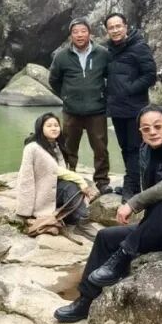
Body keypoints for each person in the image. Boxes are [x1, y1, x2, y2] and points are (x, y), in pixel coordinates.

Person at [55, 105, 162, 322]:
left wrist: (133, 203)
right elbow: (140, 183)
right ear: (141, 132)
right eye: (146, 128)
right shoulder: (146, 151)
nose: (152, 132)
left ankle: (122, 257)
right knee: (105, 237)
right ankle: (85, 301)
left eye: (158, 126)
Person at [48, 18, 112, 194]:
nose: (79, 35)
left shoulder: (102, 53)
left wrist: (103, 96)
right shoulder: (61, 56)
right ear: (71, 35)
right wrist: (66, 96)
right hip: (71, 111)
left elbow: (111, 77)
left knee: (100, 148)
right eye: (75, 32)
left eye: (83, 31)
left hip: (97, 110)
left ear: (89, 33)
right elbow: (53, 80)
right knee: (69, 147)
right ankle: (69, 178)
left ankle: (102, 181)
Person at [15, 112, 99, 238]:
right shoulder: (32, 148)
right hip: (42, 194)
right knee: (71, 186)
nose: (54, 128)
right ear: (40, 128)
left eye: (56, 125)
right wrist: (24, 211)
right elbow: (27, 178)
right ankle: (83, 224)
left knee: (73, 185)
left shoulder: (56, 145)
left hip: (54, 190)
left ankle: (77, 220)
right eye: (49, 126)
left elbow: (61, 172)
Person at [103, 13, 158, 200]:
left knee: (135, 147)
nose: (115, 30)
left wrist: (129, 89)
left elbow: (150, 75)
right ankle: (134, 184)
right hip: (117, 108)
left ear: (126, 27)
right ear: (107, 31)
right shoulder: (108, 50)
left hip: (135, 107)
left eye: (118, 26)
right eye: (111, 28)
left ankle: (130, 187)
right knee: (125, 147)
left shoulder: (139, 46)